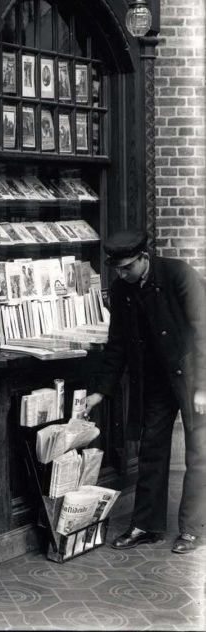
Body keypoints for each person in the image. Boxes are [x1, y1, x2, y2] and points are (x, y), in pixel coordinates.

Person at [84, 228, 206, 553]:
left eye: (128, 267)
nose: (122, 274)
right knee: (152, 450)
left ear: (144, 258)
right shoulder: (123, 289)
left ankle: (192, 529)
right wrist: (100, 391)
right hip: (155, 381)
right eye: (118, 269)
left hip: (193, 376)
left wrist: (202, 388)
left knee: (199, 454)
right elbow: (117, 345)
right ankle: (146, 525)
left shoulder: (178, 274)